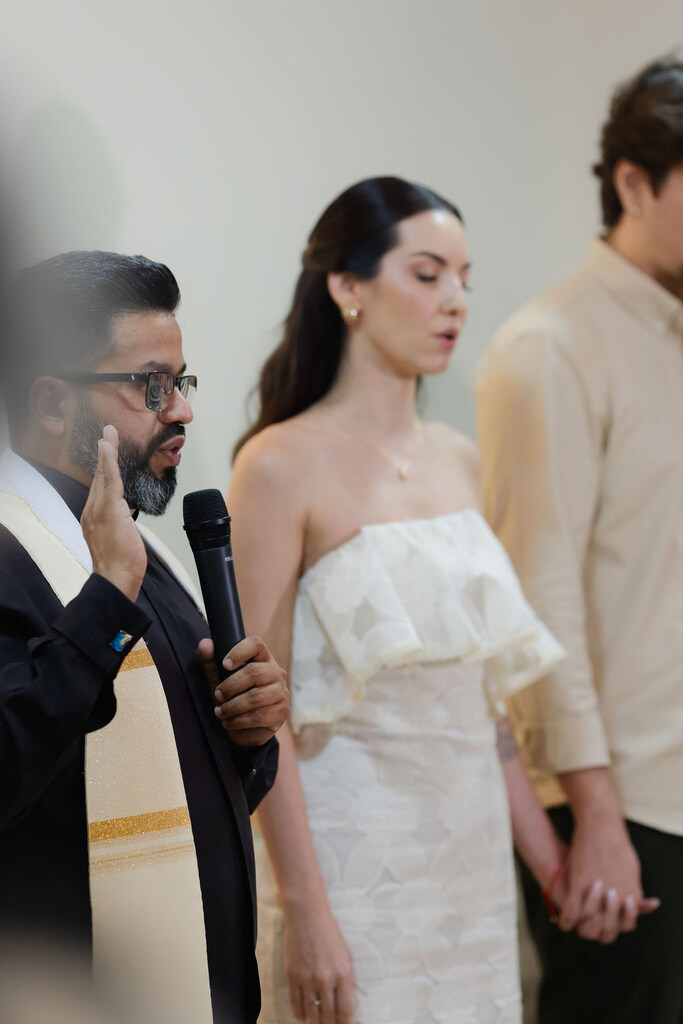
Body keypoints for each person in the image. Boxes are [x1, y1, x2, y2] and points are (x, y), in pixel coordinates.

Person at [225, 177, 647, 1024]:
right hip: (352, 864)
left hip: (471, 868)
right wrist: (305, 909)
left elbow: (480, 709)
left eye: (463, 279)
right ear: (346, 285)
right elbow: (260, 716)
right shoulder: (277, 465)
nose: (454, 300)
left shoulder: (458, 458)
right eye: (426, 274)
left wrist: (551, 866)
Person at [0, 251, 289, 1024]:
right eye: (151, 386)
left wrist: (249, 736)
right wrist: (103, 599)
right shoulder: (11, 551)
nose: (182, 410)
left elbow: (193, 785)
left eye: (181, 382)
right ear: (53, 403)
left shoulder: (147, 550)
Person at [476, 54, 683, 1024]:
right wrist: (594, 813)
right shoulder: (548, 346)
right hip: (624, 803)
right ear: (631, 184)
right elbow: (536, 600)